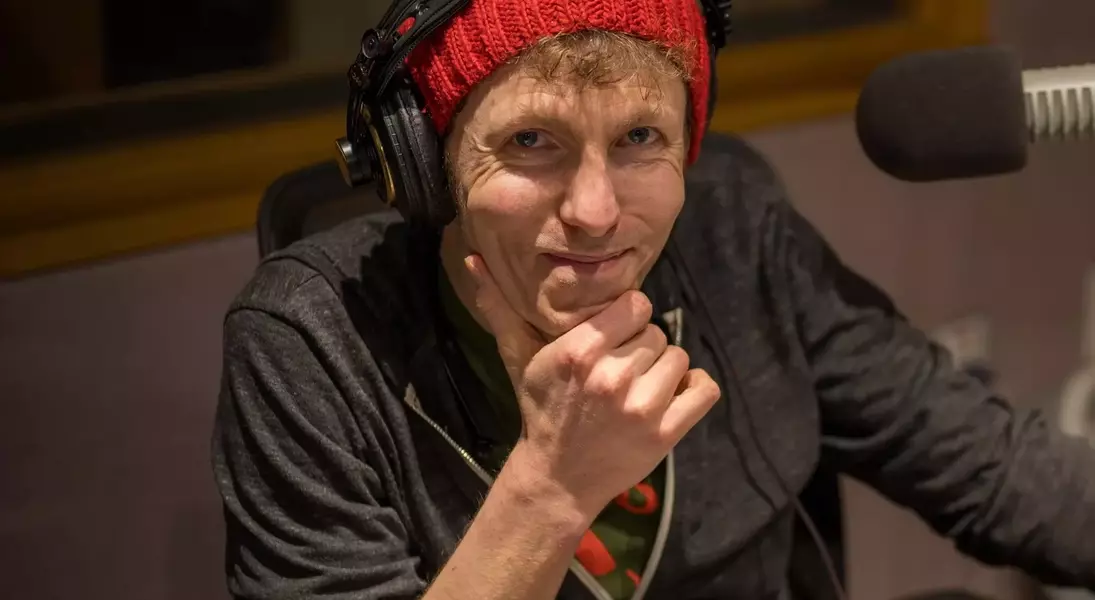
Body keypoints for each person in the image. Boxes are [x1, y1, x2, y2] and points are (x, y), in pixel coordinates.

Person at [211, 0, 1095, 598]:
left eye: (640, 137)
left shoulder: (736, 237)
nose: (595, 213)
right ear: (428, 166)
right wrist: (550, 490)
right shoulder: (312, 338)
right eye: (531, 141)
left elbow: (998, 471)